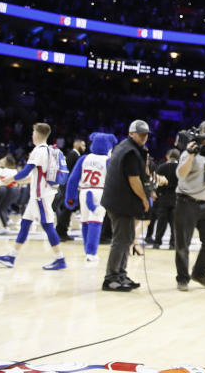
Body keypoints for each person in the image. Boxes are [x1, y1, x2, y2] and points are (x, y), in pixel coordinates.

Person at [0, 123, 67, 270]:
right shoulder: (49, 150)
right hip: (40, 194)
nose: (32, 135)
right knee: (25, 224)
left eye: (33, 132)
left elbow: (25, 172)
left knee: (48, 225)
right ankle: (11, 257)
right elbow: (34, 176)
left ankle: (60, 259)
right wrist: (16, 180)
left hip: (41, 195)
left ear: (37, 134)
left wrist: (11, 179)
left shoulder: (38, 151)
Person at [100, 120, 151, 292]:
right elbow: (134, 179)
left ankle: (120, 274)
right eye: (141, 134)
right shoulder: (130, 152)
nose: (144, 137)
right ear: (131, 133)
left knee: (127, 238)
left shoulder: (126, 148)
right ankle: (111, 278)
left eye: (146, 134)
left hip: (120, 202)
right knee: (121, 240)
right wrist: (144, 199)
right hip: (119, 202)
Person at [174, 120, 205, 290]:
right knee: (183, 243)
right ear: (201, 134)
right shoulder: (190, 151)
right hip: (186, 201)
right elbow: (180, 174)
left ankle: (199, 273)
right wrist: (190, 155)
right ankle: (182, 278)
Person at [65, 132, 116, 263]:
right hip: (100, 192)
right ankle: (92, 252)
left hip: (84, 191)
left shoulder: (83, 159)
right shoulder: (108, 161)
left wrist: (70, 197)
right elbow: (114, 181)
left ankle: (87, 250)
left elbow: (72, 180)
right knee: (96, 222)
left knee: (85, 221)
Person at [149, 148, 180, 249]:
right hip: (176, 198)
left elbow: (155, 182)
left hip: (163, 198)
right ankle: (173, 243)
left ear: (168, 156)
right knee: (174, 223)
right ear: (178, 157)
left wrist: (155, 192)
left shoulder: (162, 167)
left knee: (161, 222)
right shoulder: (180, 168)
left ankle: (157, 242)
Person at [55, 138, 85, 242]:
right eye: (83, 145)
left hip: (69, 186)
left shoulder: (74, 154)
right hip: (68, 187)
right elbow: (71, 173)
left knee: (68, 210)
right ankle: (60, 232)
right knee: (66, 209)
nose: (84, 148)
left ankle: (62, 231)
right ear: (77, 145)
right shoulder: (74, 154)